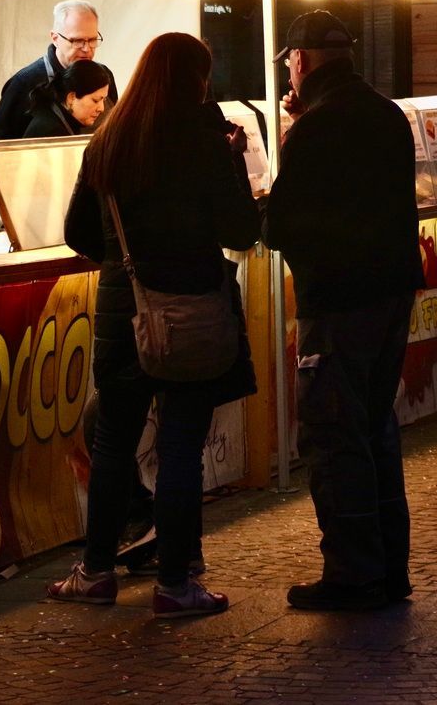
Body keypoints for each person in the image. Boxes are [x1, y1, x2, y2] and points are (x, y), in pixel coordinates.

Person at [51, 33, 258, 617]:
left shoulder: (108, 140)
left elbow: (79, 233)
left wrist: (125, 259)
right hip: (191, 307)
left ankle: (94, 572)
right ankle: (175, 583)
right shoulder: (206, 142)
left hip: (124, 311)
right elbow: (242, 231)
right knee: (180, 447)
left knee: (114, 442)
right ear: (198, 80)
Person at [263, 11, 424, 612]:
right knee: (375, 427)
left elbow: (279, 226)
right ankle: (389, 569)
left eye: (290, 63)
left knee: (333, 433)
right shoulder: (386, 115)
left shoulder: (314, 128)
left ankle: (353, 574)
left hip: (336, 301)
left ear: (300, 61)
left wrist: (288, 144)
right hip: (391, 291)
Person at [0, 0, 115, 140]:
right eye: (77, 41)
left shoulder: (105, 76)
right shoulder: (25, 82)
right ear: (55, 38)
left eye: (92, 40)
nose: (87, 48)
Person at [23, 59, 113, 137]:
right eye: (95, 100)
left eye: (103, 100)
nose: (102, 109)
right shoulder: (50, 131)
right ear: (71, 98)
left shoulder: (58, 117)